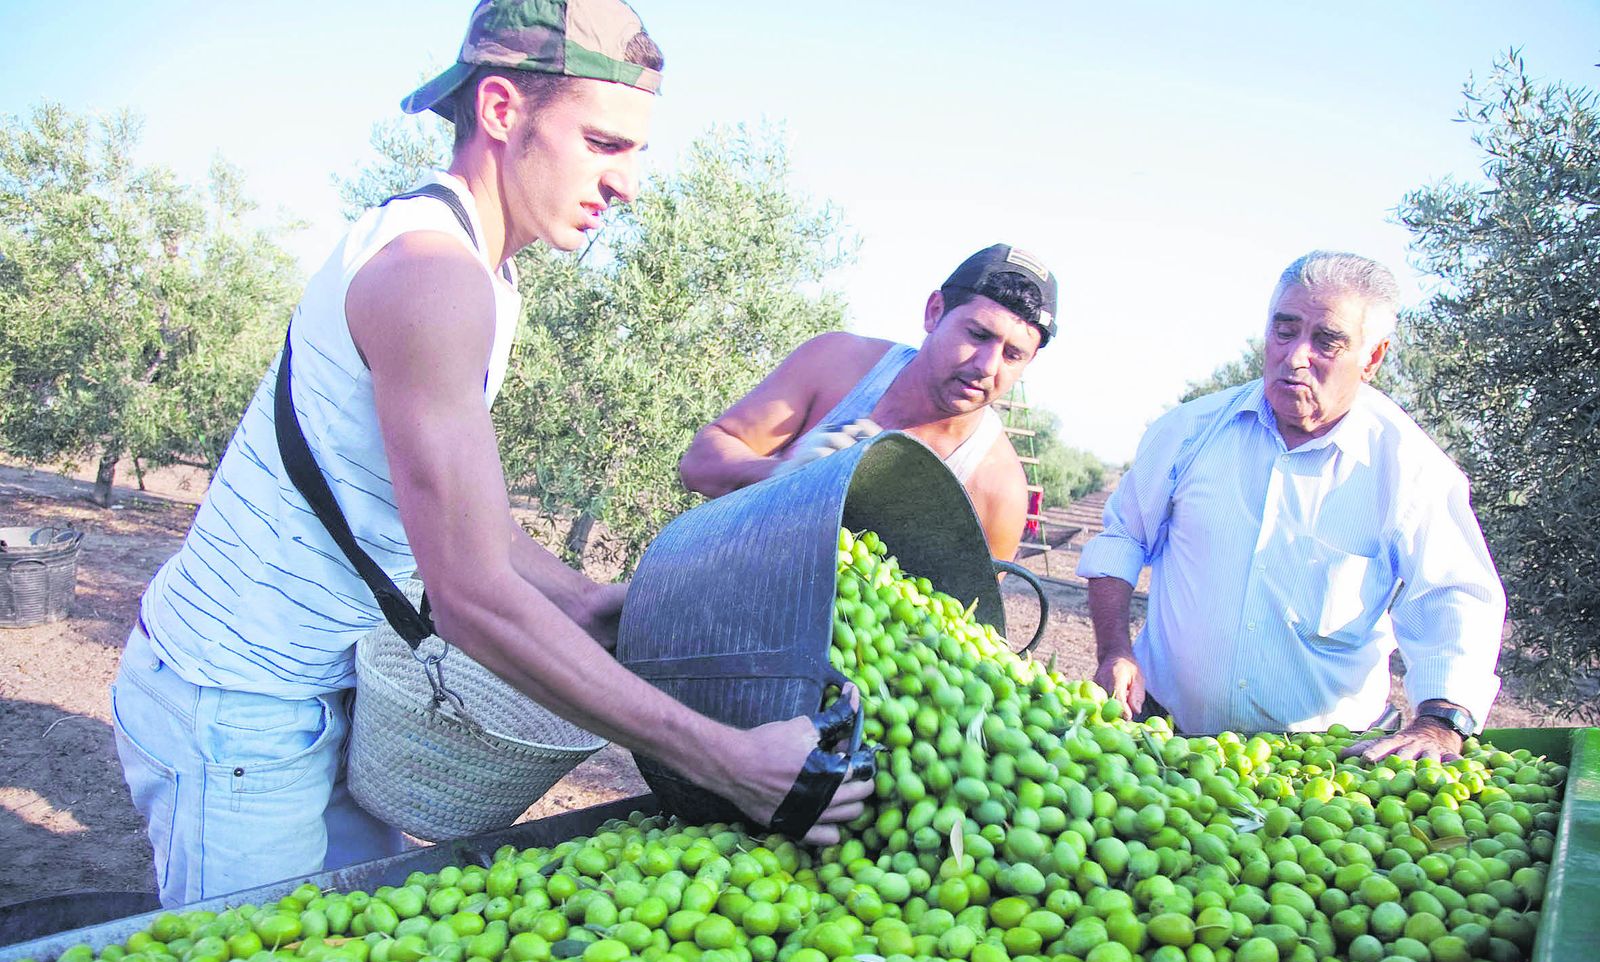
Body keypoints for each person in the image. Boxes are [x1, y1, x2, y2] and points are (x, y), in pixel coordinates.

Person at [111, 0, 870, 907]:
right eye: (604, 144)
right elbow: (470, 596)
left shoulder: (483, 274)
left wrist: (588, 603)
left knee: (346, 948)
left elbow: (474, 522)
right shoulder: (434, 276)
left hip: (316, 694)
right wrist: (730, 762)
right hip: (233, 701)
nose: (628, 183)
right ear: (504, 111)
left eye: (636, 151)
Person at [1077, 251, 1506, 764]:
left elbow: (1455, 597)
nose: (1296, 355)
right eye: (1284, 330)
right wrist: (1114, 650)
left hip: (1320, 767)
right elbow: (1123, 537)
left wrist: (1439, 722)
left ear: (1372, 358)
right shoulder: (1189, 432)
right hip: (1164, 740)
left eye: (1327, 340)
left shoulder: (1409, 469)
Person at [679, 245, 1058, 561]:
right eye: (977, 334)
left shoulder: (998, 491)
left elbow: (963, 626)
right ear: (935, 312)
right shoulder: (837, 365)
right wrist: (783, 477)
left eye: (1012, 355)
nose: (986, 367)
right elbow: (698, 464)